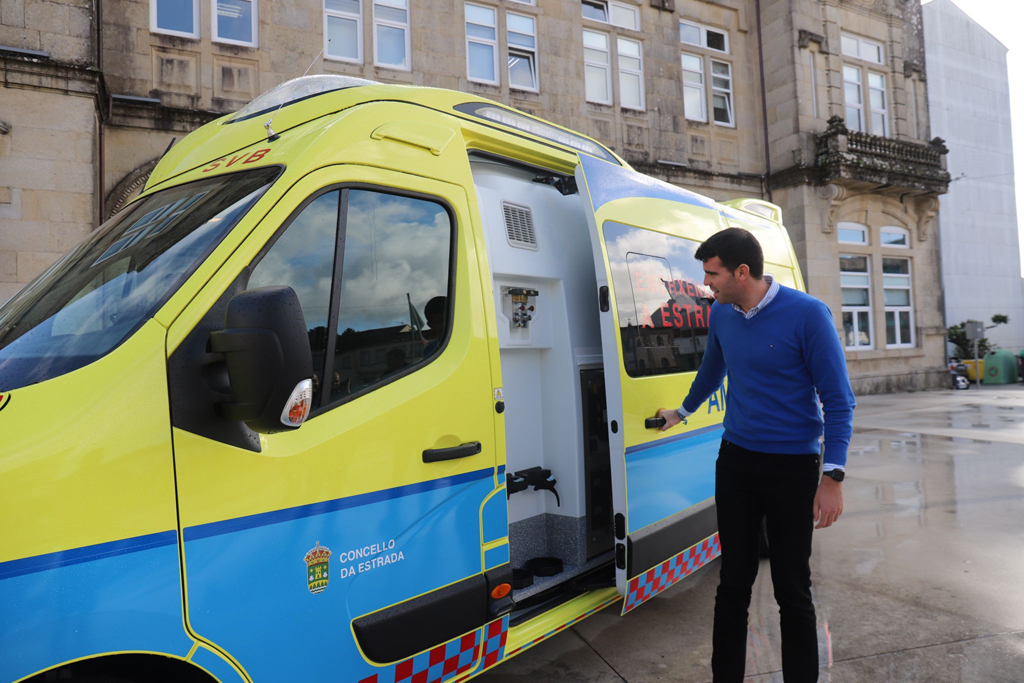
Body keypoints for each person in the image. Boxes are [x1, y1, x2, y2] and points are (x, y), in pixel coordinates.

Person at [655, 228, 856, 683]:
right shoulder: (723, 314)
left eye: (713, 274)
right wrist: (681, 412)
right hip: (738, 462)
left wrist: (833, 478)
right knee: (732, 585)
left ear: (741, 272)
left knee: (792, 588)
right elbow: (713, 369)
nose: (706, 284)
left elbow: (838, 401)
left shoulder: (807, 315)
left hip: (792, 467)